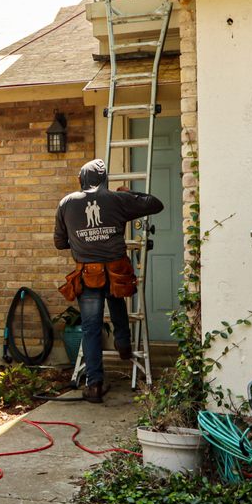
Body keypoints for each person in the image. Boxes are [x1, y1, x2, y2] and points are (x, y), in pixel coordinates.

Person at [54, 159, 164, 403]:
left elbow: (60, 243)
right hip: (116, 271)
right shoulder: (117, 199)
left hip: (88, 274)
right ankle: (123, 344)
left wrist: (82, 241)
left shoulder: (67, 203)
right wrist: (128, 193)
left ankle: (94, 386)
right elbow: (156, 204)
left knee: (91, 328)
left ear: (81, 179)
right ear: (104, 179)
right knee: (116, 300)